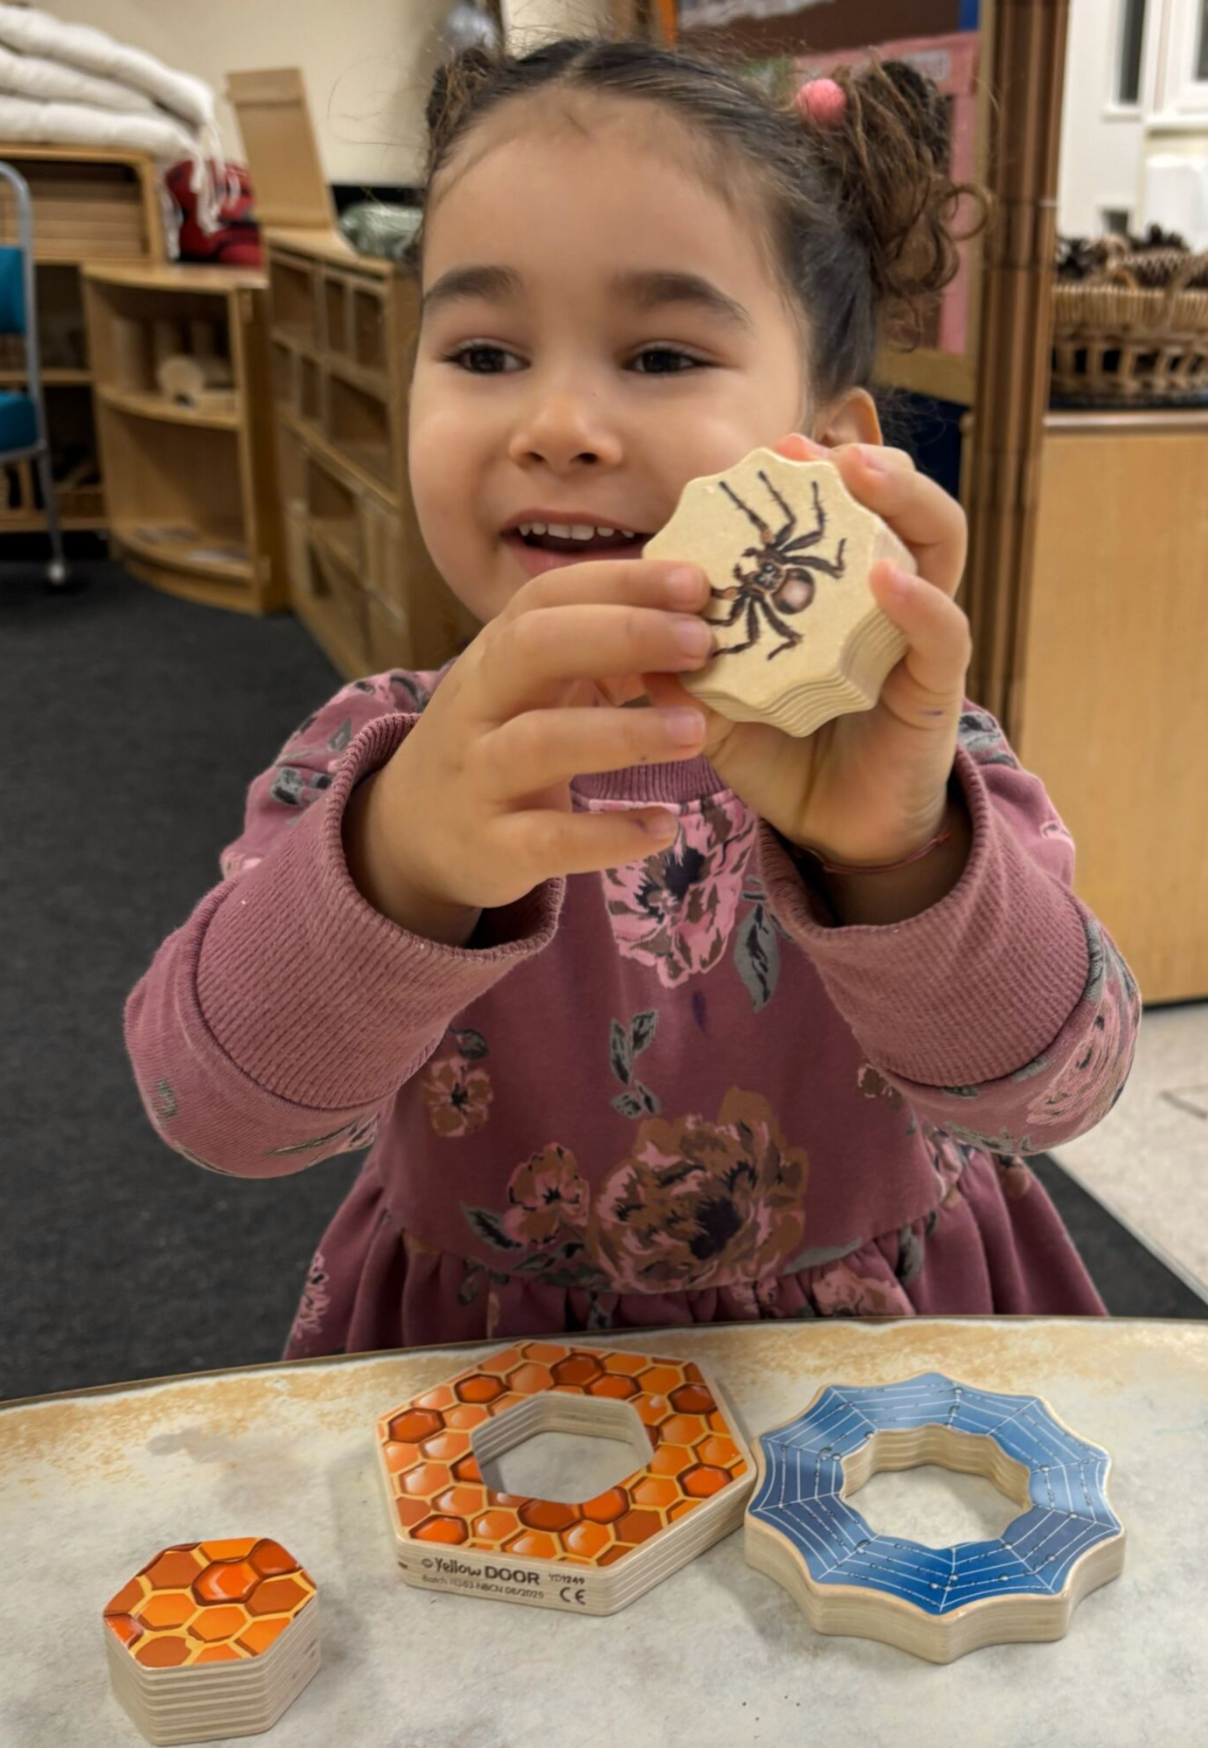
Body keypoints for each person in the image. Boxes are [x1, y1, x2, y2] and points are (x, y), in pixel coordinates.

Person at [125, 37, 1139, 1355]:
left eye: (659, 357)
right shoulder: (376, 757)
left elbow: (1062, 1091)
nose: (557, 425)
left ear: (833, 455)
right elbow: (216, 1114)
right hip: (493, 1392)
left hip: (870, 1374)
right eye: (484, 353)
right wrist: (399, 864)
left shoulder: (916, 757)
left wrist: (895, 861)